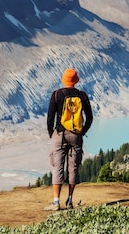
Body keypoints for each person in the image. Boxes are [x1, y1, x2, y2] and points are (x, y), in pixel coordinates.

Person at [44, 68, 94, 210]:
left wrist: (52, 134)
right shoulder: (82, 95)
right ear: (76, 81)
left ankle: (56, 202)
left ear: (64, 79)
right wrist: (81, 132)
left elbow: (50, 118)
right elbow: (90, 117)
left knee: (57, 167)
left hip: (59, 134)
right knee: (73, 168)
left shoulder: (56, 95)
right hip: (76, 135)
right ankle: (70, 200)